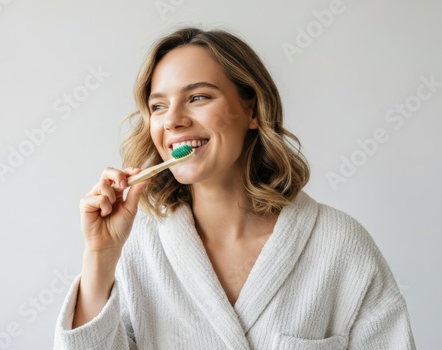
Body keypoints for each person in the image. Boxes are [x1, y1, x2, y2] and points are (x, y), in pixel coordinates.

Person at [53, 27, 416, 349]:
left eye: (198, 97)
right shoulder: (137, 246)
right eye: (158, 106)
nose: (174, 121)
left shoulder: (340, 246)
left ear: (253, 110)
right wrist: (100, 256)